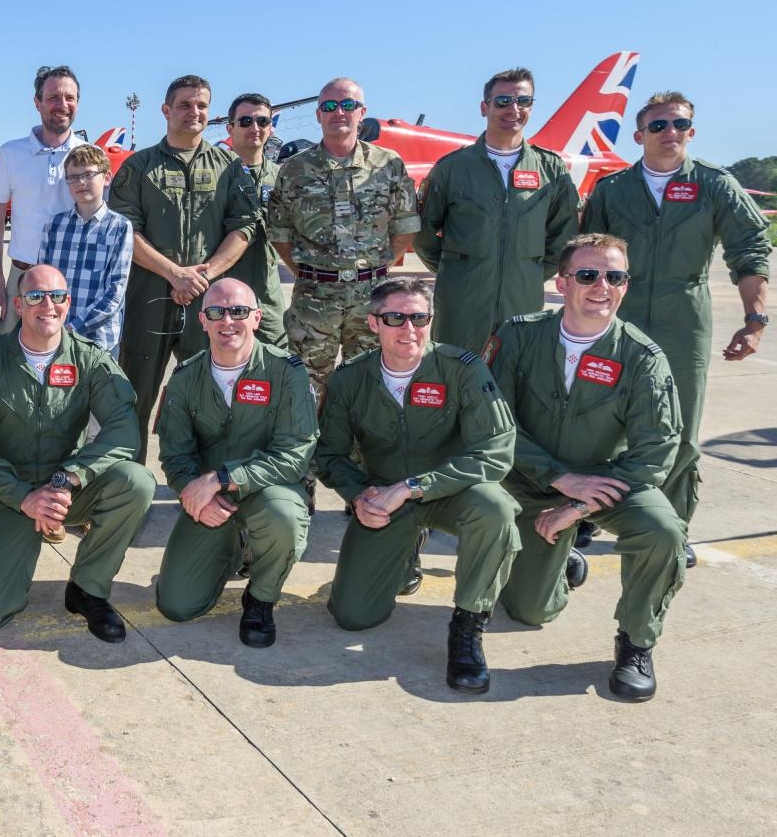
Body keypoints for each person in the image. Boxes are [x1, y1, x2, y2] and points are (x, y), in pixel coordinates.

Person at [487, 233, 686, 701]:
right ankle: (562, 563)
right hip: (529, 478)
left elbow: (655, 451)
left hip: (605, 482)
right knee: (529, 612)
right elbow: (492, 422)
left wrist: (577, 505)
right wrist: (558, 478)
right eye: (588, 275)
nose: (602, 287)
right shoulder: (518, 336)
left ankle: (636, 642)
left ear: (625, 285)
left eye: (615, 276)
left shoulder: (642, 358)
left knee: (663, 531)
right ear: (561, 283)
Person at [581, 91, 770, 564]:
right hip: (615, 314)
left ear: (692, 131)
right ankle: (587, 509)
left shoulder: (715, 185)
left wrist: (754, 320)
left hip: (684, 316)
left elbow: (749, 249)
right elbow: (585, 254)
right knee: (599, 415)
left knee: (678, 424)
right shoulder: (612, 189)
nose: (671, 133)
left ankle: (670, 525)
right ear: (639, 135)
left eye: (680, 124)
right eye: (659, 125)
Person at [315, 278, 519, 693]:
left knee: (495, 508)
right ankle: (407, 549)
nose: (409, 329)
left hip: (453, 491)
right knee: (353, 616)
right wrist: (358, 495)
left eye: (419, 318)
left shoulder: (462, 369)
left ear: (431, 320)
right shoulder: (350, 378)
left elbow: (495, 450)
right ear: (374, 323)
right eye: (395, 318)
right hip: (384, 499)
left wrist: (413, 486)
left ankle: (468, 626)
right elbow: (329, 454)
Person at [0, 265, 155, 641]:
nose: (47, 305)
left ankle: (88, 588)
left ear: (68, 302)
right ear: (18, 305)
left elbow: (124, 429)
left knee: (137, 481)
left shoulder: (89, 359)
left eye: (57, 296)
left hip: (67, 489)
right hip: (8, 496)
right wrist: (25, 499)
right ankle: (13, 560)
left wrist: (70, 478)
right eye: (35, 297)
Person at [153, 279, 317, 647]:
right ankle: (233, 551)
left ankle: (260, 598)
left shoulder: (286, 372)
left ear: (257, 318)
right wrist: (194, 493)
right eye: (217, 312)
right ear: (203, 320)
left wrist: (223, 478)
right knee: (177, 606)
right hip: (212, 500)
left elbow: (295, 455)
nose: (228, 321)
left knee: (284, 517)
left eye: (238, 311)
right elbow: (175, 455)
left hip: (267, 492)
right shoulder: (185, 379)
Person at [109, 74, 254, 460]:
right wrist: (175, 274)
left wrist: (204, 275)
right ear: (166, 110)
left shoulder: (228, 166)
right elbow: (125, 230)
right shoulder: (139, 167)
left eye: (202, 105)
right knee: (134, 397)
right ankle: (131, 481)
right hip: (149, 297)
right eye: (185, 104)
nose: (194, 111)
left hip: (208, 302)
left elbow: (243, 227)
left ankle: (204, 480)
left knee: (211, 398)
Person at [267, 77, 420, 401]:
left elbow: (405, 225)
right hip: (313, 300)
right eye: (330, 106)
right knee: (306, 389)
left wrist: (376, 267)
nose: (339, 112)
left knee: (368, 390)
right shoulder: (294, 170)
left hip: (373, 299)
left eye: (348, 105)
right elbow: (280, 232)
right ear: (318, 114)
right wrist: (311, 272)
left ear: (362, 112)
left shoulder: (388, 165)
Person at [414, 67, 578, 354]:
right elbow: (422, 232)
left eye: (523, 101)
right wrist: (459, 270)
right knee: (454, 373)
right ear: (484, 107)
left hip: (523, 303)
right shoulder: (452, 168)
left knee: (518, 374)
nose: (513, 109)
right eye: (502, 101)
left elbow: (564, 236)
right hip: (462, 305)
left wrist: (527, 273)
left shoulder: (551, 170)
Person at [0, 66, 87, 331]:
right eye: (53, 97)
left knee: (70, 356)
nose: (62, 105)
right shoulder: (11, 154)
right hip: (22, 277)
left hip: (71, 280)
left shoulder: (90, 157)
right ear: (37, 102)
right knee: (10, 352)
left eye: (70, 98)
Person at [38, 144, 134, 357]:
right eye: (73, 177)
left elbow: (115, 291)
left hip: (99, 341)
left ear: (106, 178)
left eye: (89, 175)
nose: (80, 182)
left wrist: (73, 328)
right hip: (55, 336)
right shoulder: (53, 226)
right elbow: (41, 281)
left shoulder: (119, 227)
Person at [215, 93, 288, 346]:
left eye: (262, 121)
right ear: (230, 128)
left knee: (278, 359)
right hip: (222, 293)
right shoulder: (215, 176)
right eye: (245, 121)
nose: (255, 128)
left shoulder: (283, 177)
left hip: (268, 295)